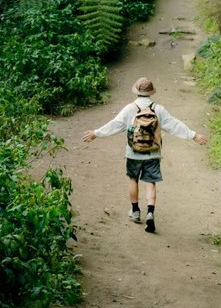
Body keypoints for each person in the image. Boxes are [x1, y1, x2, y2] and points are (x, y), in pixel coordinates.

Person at [82, 77, 208, 233]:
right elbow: (174, 124)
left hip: (133, 153)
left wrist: (96, 133)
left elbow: (115, 124)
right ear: (150, 93)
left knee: (133, 180)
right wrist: (193, 135)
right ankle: (150, 212)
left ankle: (135, 211)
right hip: (153, 153)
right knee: (150, 183)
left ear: (136, 91)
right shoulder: (158, 109)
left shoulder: (130, 108)